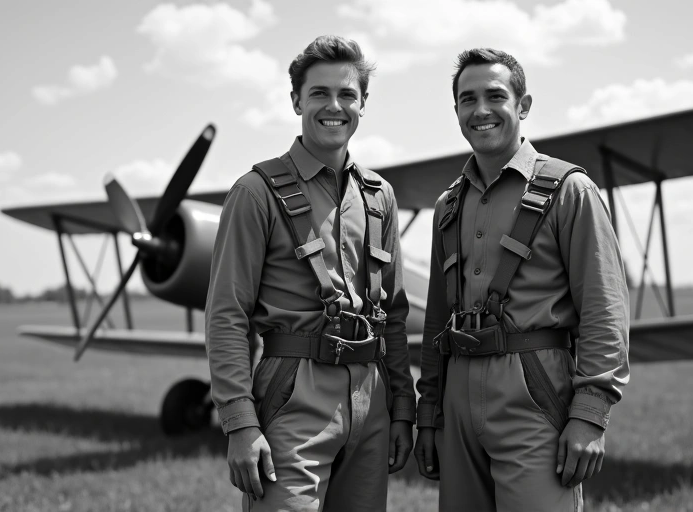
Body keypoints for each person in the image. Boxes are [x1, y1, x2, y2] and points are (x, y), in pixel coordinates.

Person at [413, 48, 630, 511]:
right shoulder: (446, 207)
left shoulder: (572, 191)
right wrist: (428, 413)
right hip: (456, 398)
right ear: (456, 112)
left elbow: (604, 309)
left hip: (534, 394)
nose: (481, 110)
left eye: (495, 95)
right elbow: (436, 321)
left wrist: (590, 415)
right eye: (467, 99)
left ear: (523, 105)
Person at [204, 35, 415, 512]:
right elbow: (227, 315)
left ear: (363, 104)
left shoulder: (380, 196)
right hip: (291, 396)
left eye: (346, 95)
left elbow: (394, 317)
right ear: (296, 99)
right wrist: (241, 424)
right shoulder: (254, 192)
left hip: (372, 399)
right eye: (319, 93)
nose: (333, 106)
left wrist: (401, 409)